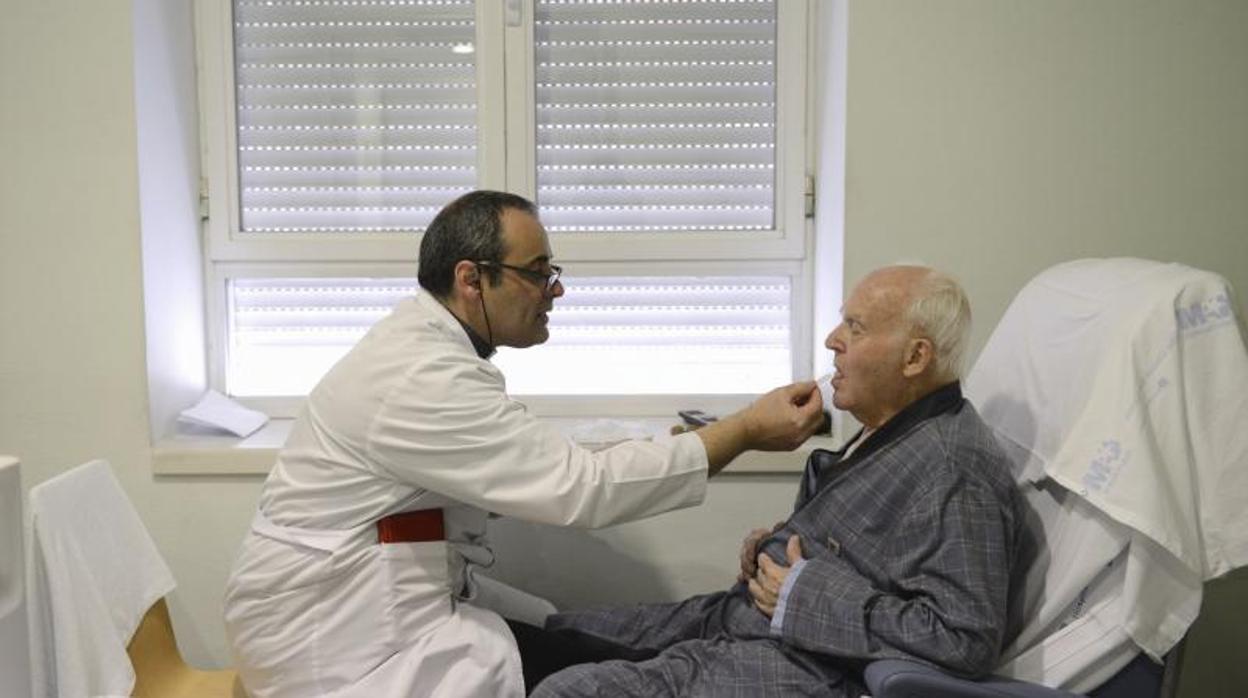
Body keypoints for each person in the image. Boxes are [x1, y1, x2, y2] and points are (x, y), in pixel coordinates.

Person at [222, 190, 825, 698]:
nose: (553, 290)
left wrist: (670, 440)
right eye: (538, 272)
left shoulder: (430, 354)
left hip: (374, 599)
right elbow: (578, 490)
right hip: (333, 632)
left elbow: (531, 455)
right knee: (597, 672)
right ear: (472, 279)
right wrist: (742, 431)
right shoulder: (419, 378)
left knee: (579, 639)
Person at [527, 265, 1028, 697]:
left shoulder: (954, 468)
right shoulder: (891, 430)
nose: (833, 339)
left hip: (813, 667)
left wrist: (806, 593)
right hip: (747, 620)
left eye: (855, 328)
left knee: (565, 690)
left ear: (915, 358)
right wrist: (777, 547)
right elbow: (868, 552)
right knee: (547, 639)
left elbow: (965, 638)